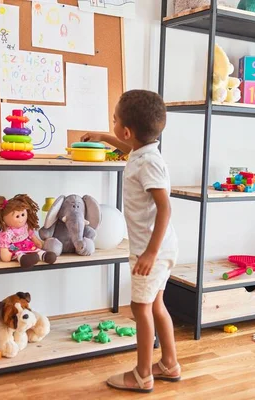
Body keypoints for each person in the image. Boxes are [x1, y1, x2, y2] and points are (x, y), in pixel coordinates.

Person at [81, 90, 180, 393]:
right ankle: (169, 364)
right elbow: (129, 147)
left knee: (140, 309)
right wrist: (103, 137)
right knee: (156, 305)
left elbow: (165, 207)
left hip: (151, 250)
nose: (112, 124)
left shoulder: (148, 164)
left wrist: (149, 252)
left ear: (127, 130)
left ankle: (142, 375)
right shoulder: (143, 152)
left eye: (113, 121)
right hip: (161, 248)